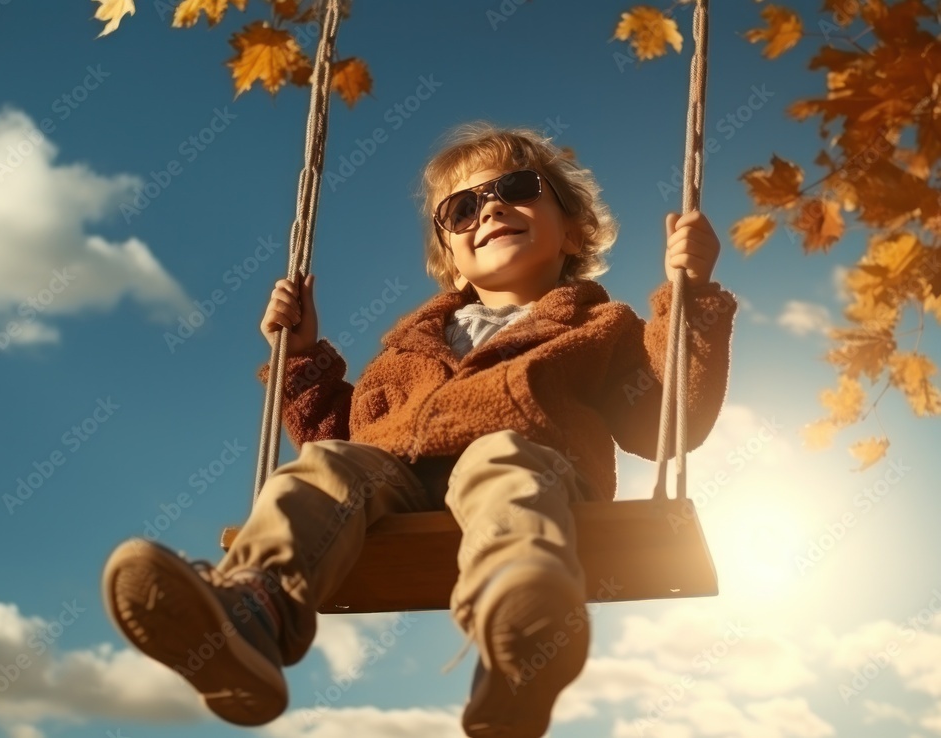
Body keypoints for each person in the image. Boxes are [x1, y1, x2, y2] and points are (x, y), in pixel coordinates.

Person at [102, 121, 736, 737]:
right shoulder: (408, 349)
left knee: (503, 462)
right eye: (462, 209)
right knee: (319, 473)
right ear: (453, 261)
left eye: (516, 189)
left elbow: (664, 422)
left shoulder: (598, 329)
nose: (489, 210)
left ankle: (522, 620)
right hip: (397, 478)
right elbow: (339, 433)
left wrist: (692, 296)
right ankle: (252, 611)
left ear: (572, 232)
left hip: (528, 468)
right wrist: (301, 355)